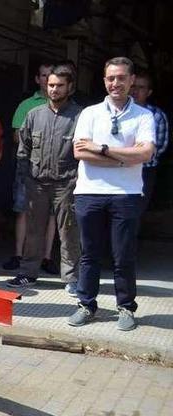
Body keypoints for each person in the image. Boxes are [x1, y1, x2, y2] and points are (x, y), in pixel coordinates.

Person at [67, 57, 155, 331]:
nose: (115, 83)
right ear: (104, 81)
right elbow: (80, 152)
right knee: (89, 254)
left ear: (131, 80)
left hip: (127, 195)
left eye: (120, 78)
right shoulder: (90, 113)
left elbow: (144, 153)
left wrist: (102, 149)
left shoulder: (144, 116)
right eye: (110, 78)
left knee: (123, 255)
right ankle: (86, 305)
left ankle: (126, 308)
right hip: (90, 193)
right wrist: (123, 158)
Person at [6, 65, 83, 295]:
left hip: (66, 184)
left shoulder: (79, 116)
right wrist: (27, 179)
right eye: (51, 85)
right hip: (36, 184)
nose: (54, 89)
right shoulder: (34, 115)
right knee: (34, 230)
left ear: (69, 87)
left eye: (60, 85)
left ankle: (71, 278)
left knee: (68, 231)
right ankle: (28, 273)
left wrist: (77, 180)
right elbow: (23, 150)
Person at [4, 63, 54, 271]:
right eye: (43, 75)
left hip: (54, 167)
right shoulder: (26, 105)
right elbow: (17, 135)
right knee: (22, 210)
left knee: (51, 213)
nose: (46, 80)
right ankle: (18, 254)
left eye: (50, 76)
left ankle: (47, 257)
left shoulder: (68, 106)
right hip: (28, 165)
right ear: (37, 79)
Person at [130, 70, 169, 211]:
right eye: (133, 86)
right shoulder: (116, 112)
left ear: (149, 92)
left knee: (136, 212)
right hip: (118, 168)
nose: (136, 91)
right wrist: (137, 148)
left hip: (145, 171)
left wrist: (127, 151)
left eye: (141, 88)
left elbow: (159, 147)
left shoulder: (157, 115)